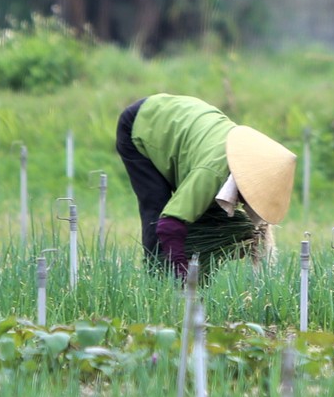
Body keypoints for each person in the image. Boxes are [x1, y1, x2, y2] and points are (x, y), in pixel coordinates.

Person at [115, 94, 295, 277]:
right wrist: (181, 272)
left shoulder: (243, 156)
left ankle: (198, 280)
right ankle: (157, 277)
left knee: (204, 214)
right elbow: (169, 224)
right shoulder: (213, 172)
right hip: (144, 123)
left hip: (183, 119)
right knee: (157, 208)